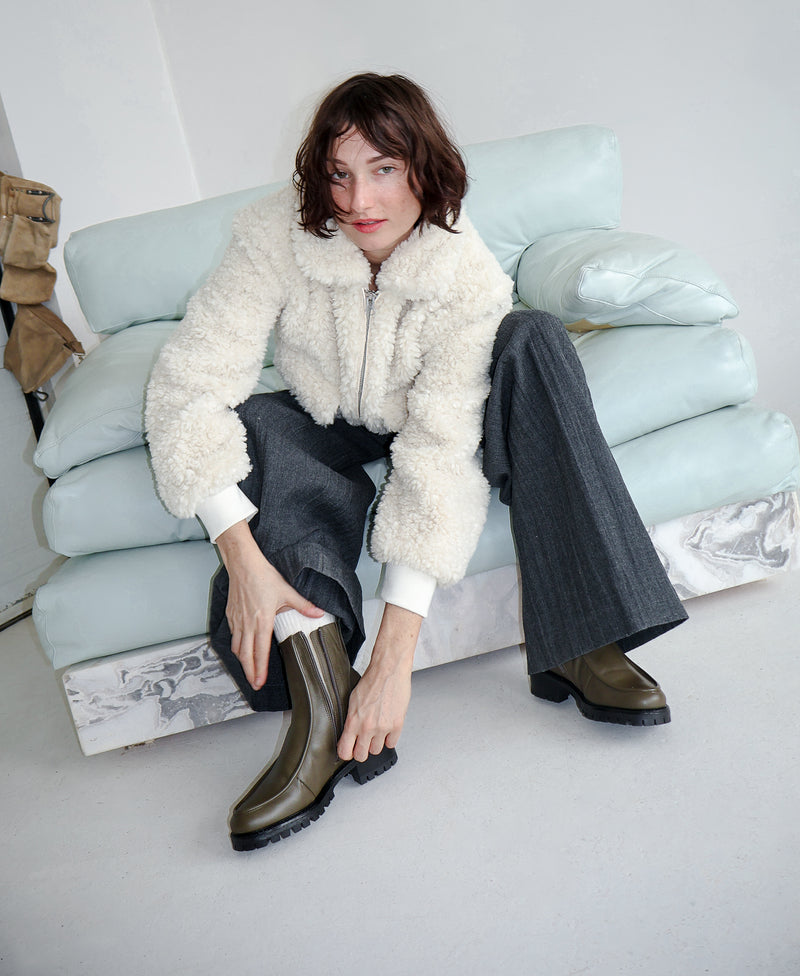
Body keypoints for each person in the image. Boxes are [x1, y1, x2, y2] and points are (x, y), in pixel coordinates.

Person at [145, 73, 687, 851]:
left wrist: (395, 660)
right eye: (339, 173)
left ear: (424, 170)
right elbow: (187, 386)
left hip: (432, 416)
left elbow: (439, 456)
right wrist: (244, 557)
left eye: (385, 169)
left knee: (535, 335)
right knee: (261, 419)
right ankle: (323, 703)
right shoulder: (272, 237)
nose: (358, 199)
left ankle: (582, 640)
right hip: (329, 413)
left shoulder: (464, 274)